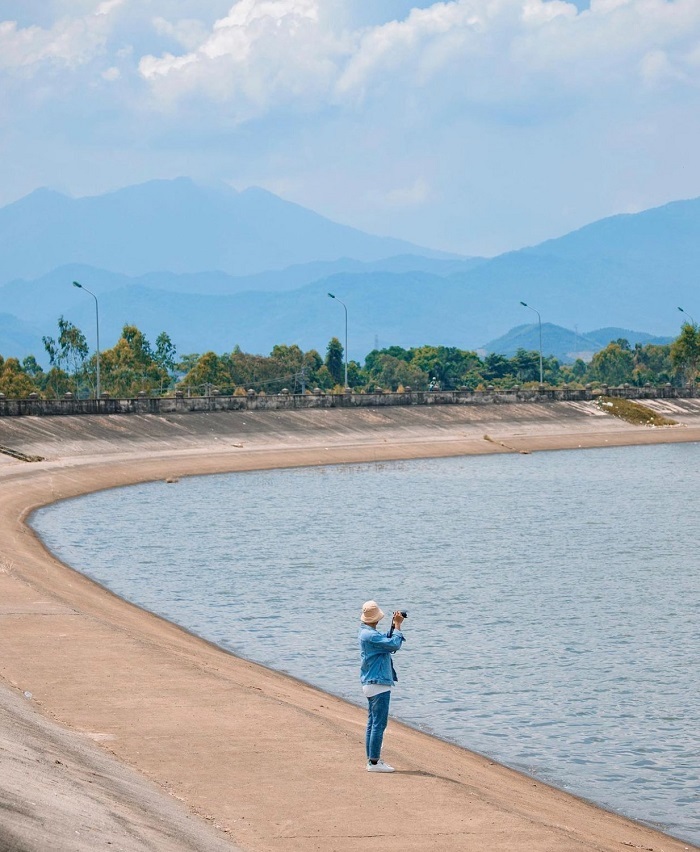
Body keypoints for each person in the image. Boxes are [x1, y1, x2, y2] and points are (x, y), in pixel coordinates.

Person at [358, 600, 405, 773]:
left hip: (371, 682)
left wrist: (393, 627)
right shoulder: (370, 635)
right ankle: (374, 763)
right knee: (379, 724)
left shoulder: (366, 632)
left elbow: (384, 640)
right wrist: (398, 627)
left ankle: (372, 760)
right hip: (378, 683)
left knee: (373, 722)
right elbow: (393, 644)